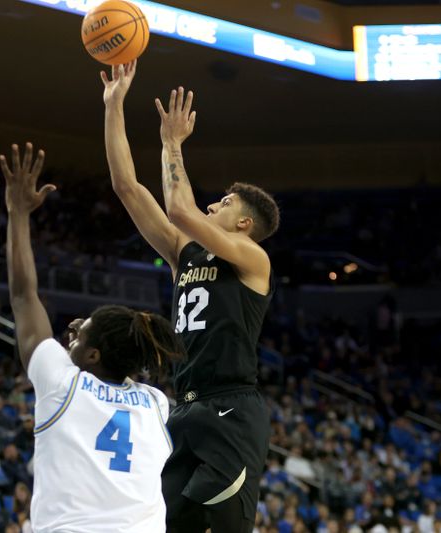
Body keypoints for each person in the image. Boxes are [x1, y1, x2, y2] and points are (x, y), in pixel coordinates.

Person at [102, 61, 280, 533]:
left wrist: (171, 143)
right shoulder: (187, 253)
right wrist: (113, 105)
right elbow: (126, 186)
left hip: (231, 410)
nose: (212, 204)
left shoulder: (251, 260)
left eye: (224, 204)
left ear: (244, 225)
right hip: (183, 406)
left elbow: (179, 208)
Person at [0, 142, 185, 532]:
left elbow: (22, 295)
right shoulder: (154, 404)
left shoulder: (62, 383)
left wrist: (18, 214)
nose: (70, 335)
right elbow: (127, 364)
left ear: (95, 355)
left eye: (78, 335)